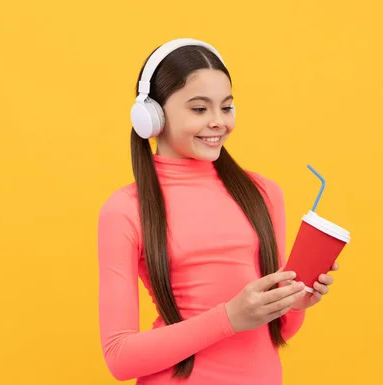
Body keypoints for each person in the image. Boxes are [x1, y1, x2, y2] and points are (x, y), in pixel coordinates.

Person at [97, 38, 339, 384]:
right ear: (152, 116)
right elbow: (120, 358)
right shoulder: (124, 210)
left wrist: (296, 300)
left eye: (226, 108)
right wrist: (229, 317)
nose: (218, 122)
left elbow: (278, 332)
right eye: (199, 109)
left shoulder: (262, 193)